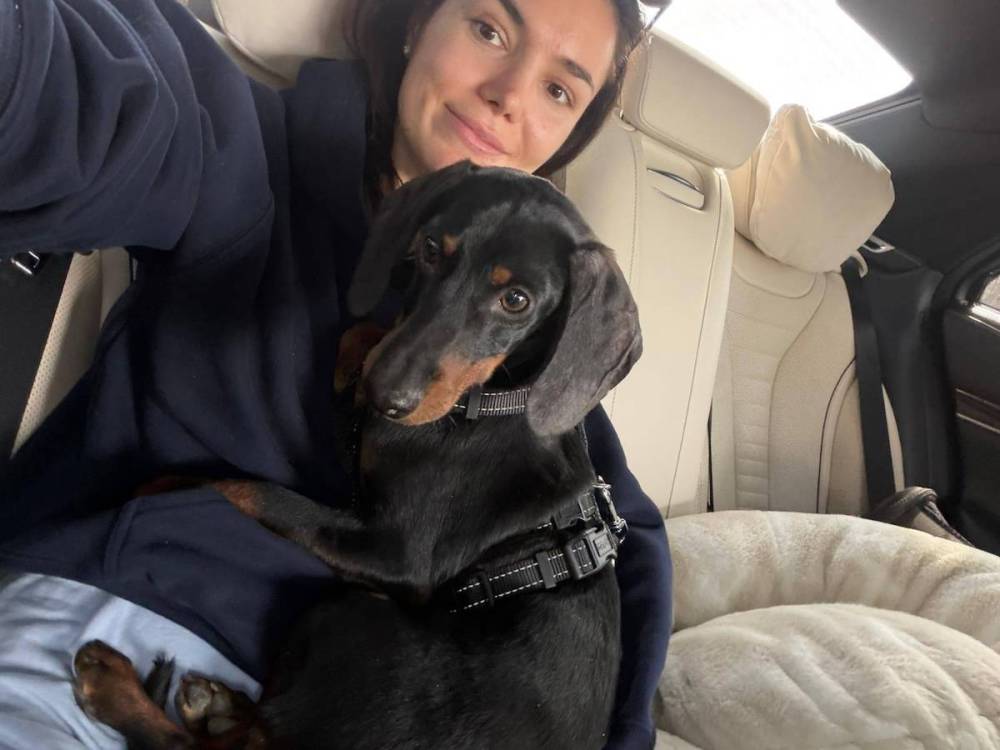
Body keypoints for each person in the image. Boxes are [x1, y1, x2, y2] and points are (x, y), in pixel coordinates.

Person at [0, 0, 673, 748]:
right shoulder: (244, 151)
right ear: (417, 22)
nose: (509, 95)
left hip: (391, 709)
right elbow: (82, 89)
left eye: (559, 89)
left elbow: (632, 544)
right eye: (490, 30)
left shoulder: (540, 353)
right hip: (138, 618)